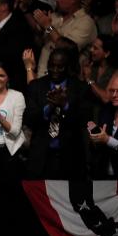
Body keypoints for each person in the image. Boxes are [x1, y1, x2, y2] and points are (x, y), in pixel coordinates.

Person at [24, 48, 91, 179]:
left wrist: (65, 106)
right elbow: (29, 118)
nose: (55, 70)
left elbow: (85, 119)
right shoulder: (36, 86)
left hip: (71, 156)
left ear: (68, 67)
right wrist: (49, 107)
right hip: (41, 155)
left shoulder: (80, 88)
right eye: (52, 65)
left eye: (60, 67)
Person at [88, 75, 118, 179]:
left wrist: (108, 140)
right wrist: (95, 138)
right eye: (112, 91)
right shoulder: (106, 110)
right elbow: (97, 148)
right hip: (103, 176)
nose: (114, 95)